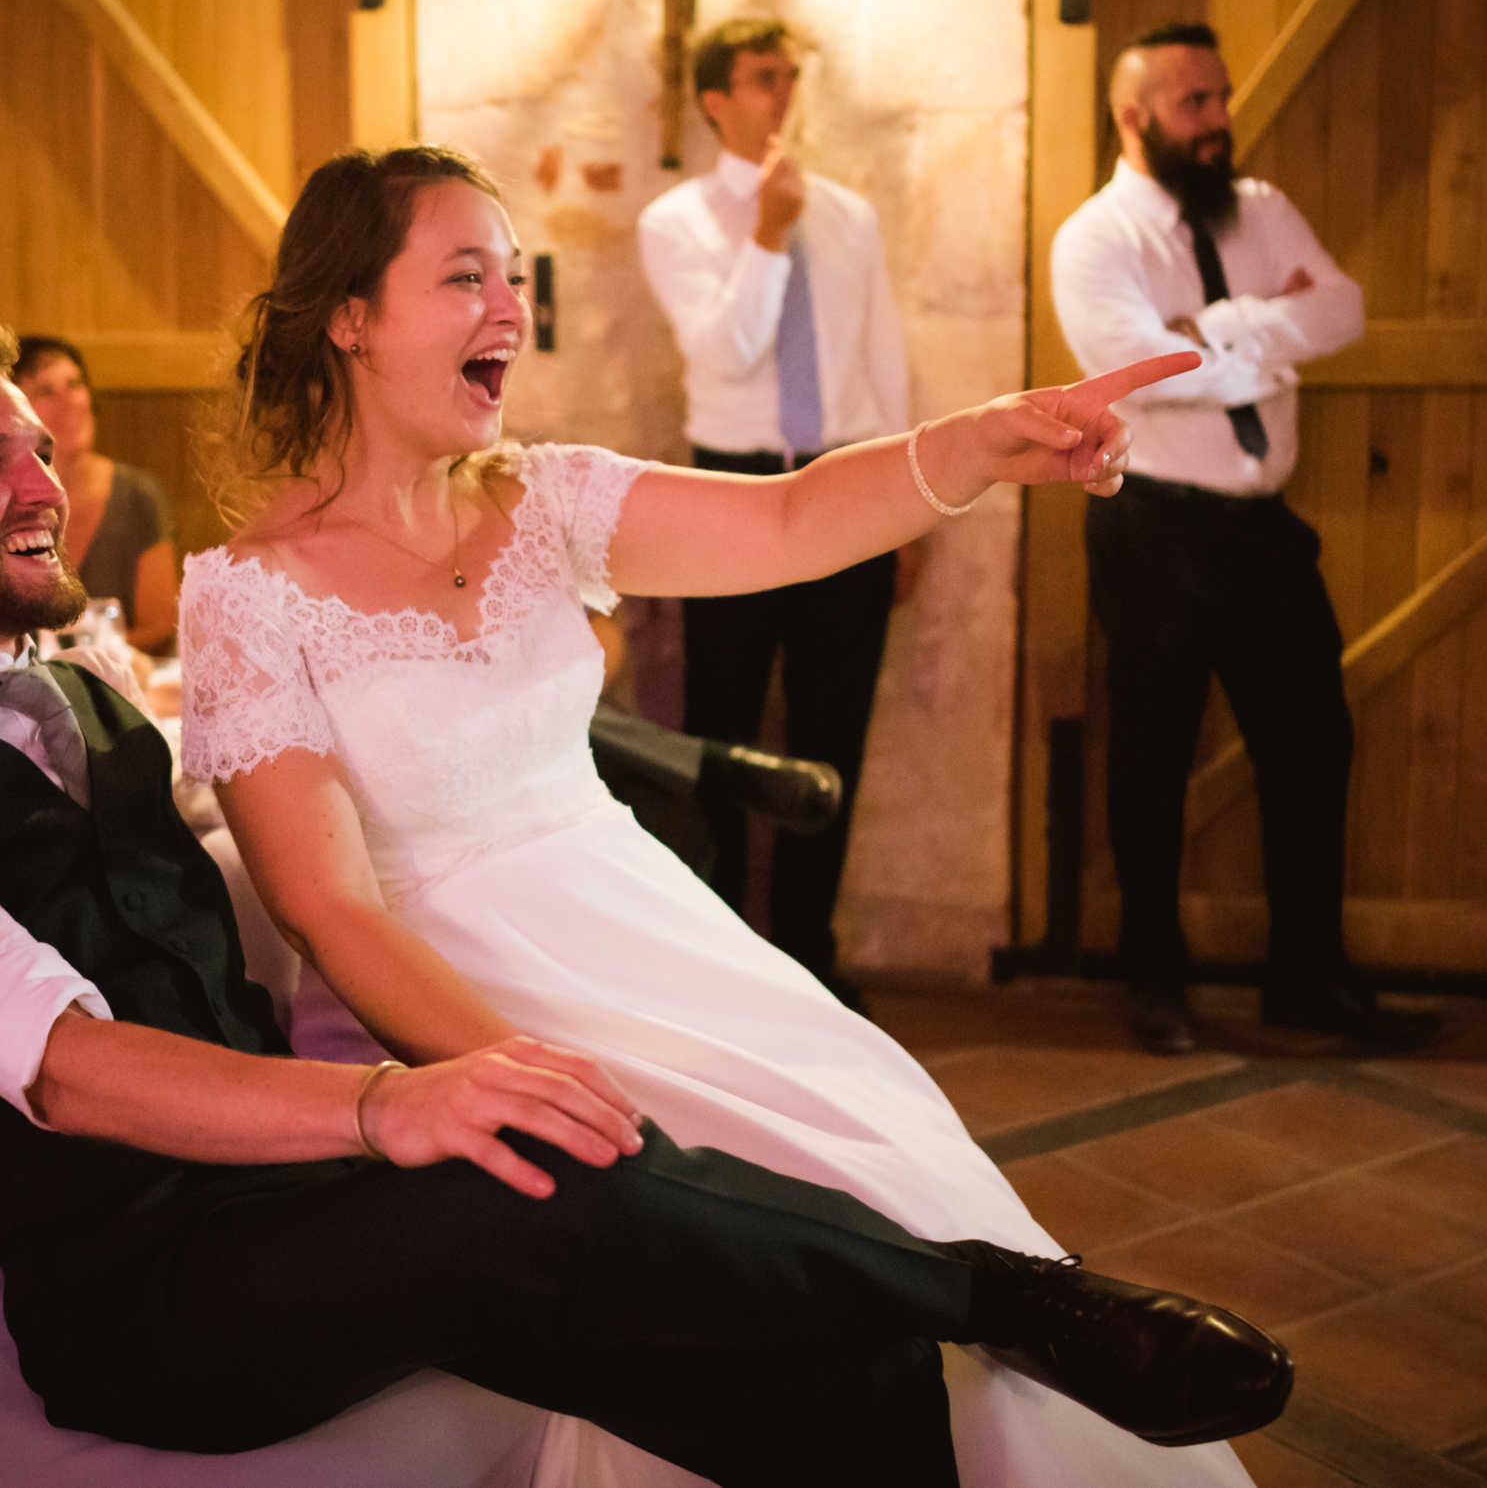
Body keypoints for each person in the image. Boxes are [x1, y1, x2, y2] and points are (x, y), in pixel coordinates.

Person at [0, 305, 1288, 1485]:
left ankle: (941, 1330)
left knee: (797, 1352)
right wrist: (388, 1104)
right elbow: (71, 1071)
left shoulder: (90, 695)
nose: (45, 482)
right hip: (146, 1297)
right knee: (532, 1158)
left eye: (39, 446)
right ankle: (1012, 1298)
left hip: (292, 1204)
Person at [180, 144, 1268, 1486]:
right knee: (759, 1222)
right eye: (464, 278)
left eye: (515, 278)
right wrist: (517, 1070)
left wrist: (980, 443)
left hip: (652, 926)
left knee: (888, 1142)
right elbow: (327, 907)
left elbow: (790, 520)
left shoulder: (542, 498)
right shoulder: (247, 597)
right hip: (472, 986)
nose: (509, 309)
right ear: (349, 316)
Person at [1048, 22, 1440, 1056]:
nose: (1220, 120)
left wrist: (1219, 331)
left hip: (1264, 530)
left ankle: (1308, 979)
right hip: (1152, 528)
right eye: (1195, 104)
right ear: (1133, 117)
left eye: (1221, 98)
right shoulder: (1096, 239)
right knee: (1151, 758)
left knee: (1312, 747)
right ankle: (1155, 982)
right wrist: (1270, 334)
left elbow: (1344, 310)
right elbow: (1143, 374)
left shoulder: (1261, 208)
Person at [635, 18, 910, 1008]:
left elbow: (882, 360)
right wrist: (769, 232)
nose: (783, 94)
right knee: (721, 720)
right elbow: (727, 351)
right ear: (715, 101)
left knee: (833, 731)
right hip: (733, 489)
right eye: (761, 78)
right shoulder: (675, 222)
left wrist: (907, 501)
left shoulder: (851, 215)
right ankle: (720, 964)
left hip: (846, 481)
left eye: (790, 76)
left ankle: (808, 958)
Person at [10, 335, 180, 651]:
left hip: (116, 676)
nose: (69, 402)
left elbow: (159, 627)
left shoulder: (137, 496)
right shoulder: (2, 503)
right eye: (46, 391)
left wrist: (78, 661)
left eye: (74, 385)